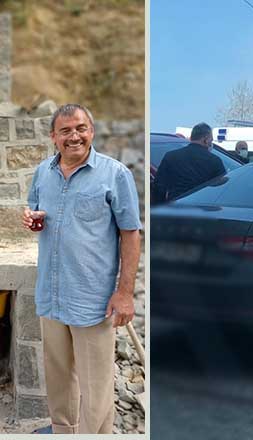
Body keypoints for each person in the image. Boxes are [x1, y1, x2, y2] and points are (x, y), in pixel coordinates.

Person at [21, 104, 142, 434]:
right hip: (52, 294)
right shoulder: (43, 173)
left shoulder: (115, 174)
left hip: (93, 299)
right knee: (59, 380)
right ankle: (63, 431)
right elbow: (38, 214)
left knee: (96, 390)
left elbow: (131, 233)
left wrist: (125, 293)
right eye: (65, 131)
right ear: (53, 137)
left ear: (92, 131)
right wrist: (34, 222)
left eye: (81, 128)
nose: (74, 136)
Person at [153, 122, 225, 202]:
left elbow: (159, 187)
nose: (211, 143)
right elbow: (222, 189)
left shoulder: (171, 156)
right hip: (204, 208)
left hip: (174, 208)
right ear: (206, 139)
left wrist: (160, 209)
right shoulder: (214, 160)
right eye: (211, 140)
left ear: (192, 137)